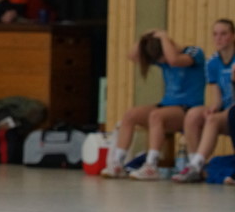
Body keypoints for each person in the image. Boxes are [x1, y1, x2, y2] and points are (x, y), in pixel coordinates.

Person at [101, 30, 205, 179]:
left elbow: (174, 60)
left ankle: (151, 165)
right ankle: (117, 162)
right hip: (167, 106)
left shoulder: (194, 52)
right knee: (130, 114)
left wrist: (163, 37)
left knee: (156, 115)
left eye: (162, 58)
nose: (163, 62)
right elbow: (132, 56)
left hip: (188, 109)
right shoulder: (164, 59)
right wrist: (145, 36)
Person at [172, 19, 235, 183]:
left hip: (233, 111)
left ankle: (195, 165)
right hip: (225, 110)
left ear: (233, 36)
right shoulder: (212, 62)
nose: (218, 38)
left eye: (223, 34)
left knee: (213, 120)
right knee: (193, 115)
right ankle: (196, 164)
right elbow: (218, 98)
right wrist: (213, 107)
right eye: (215, 34)